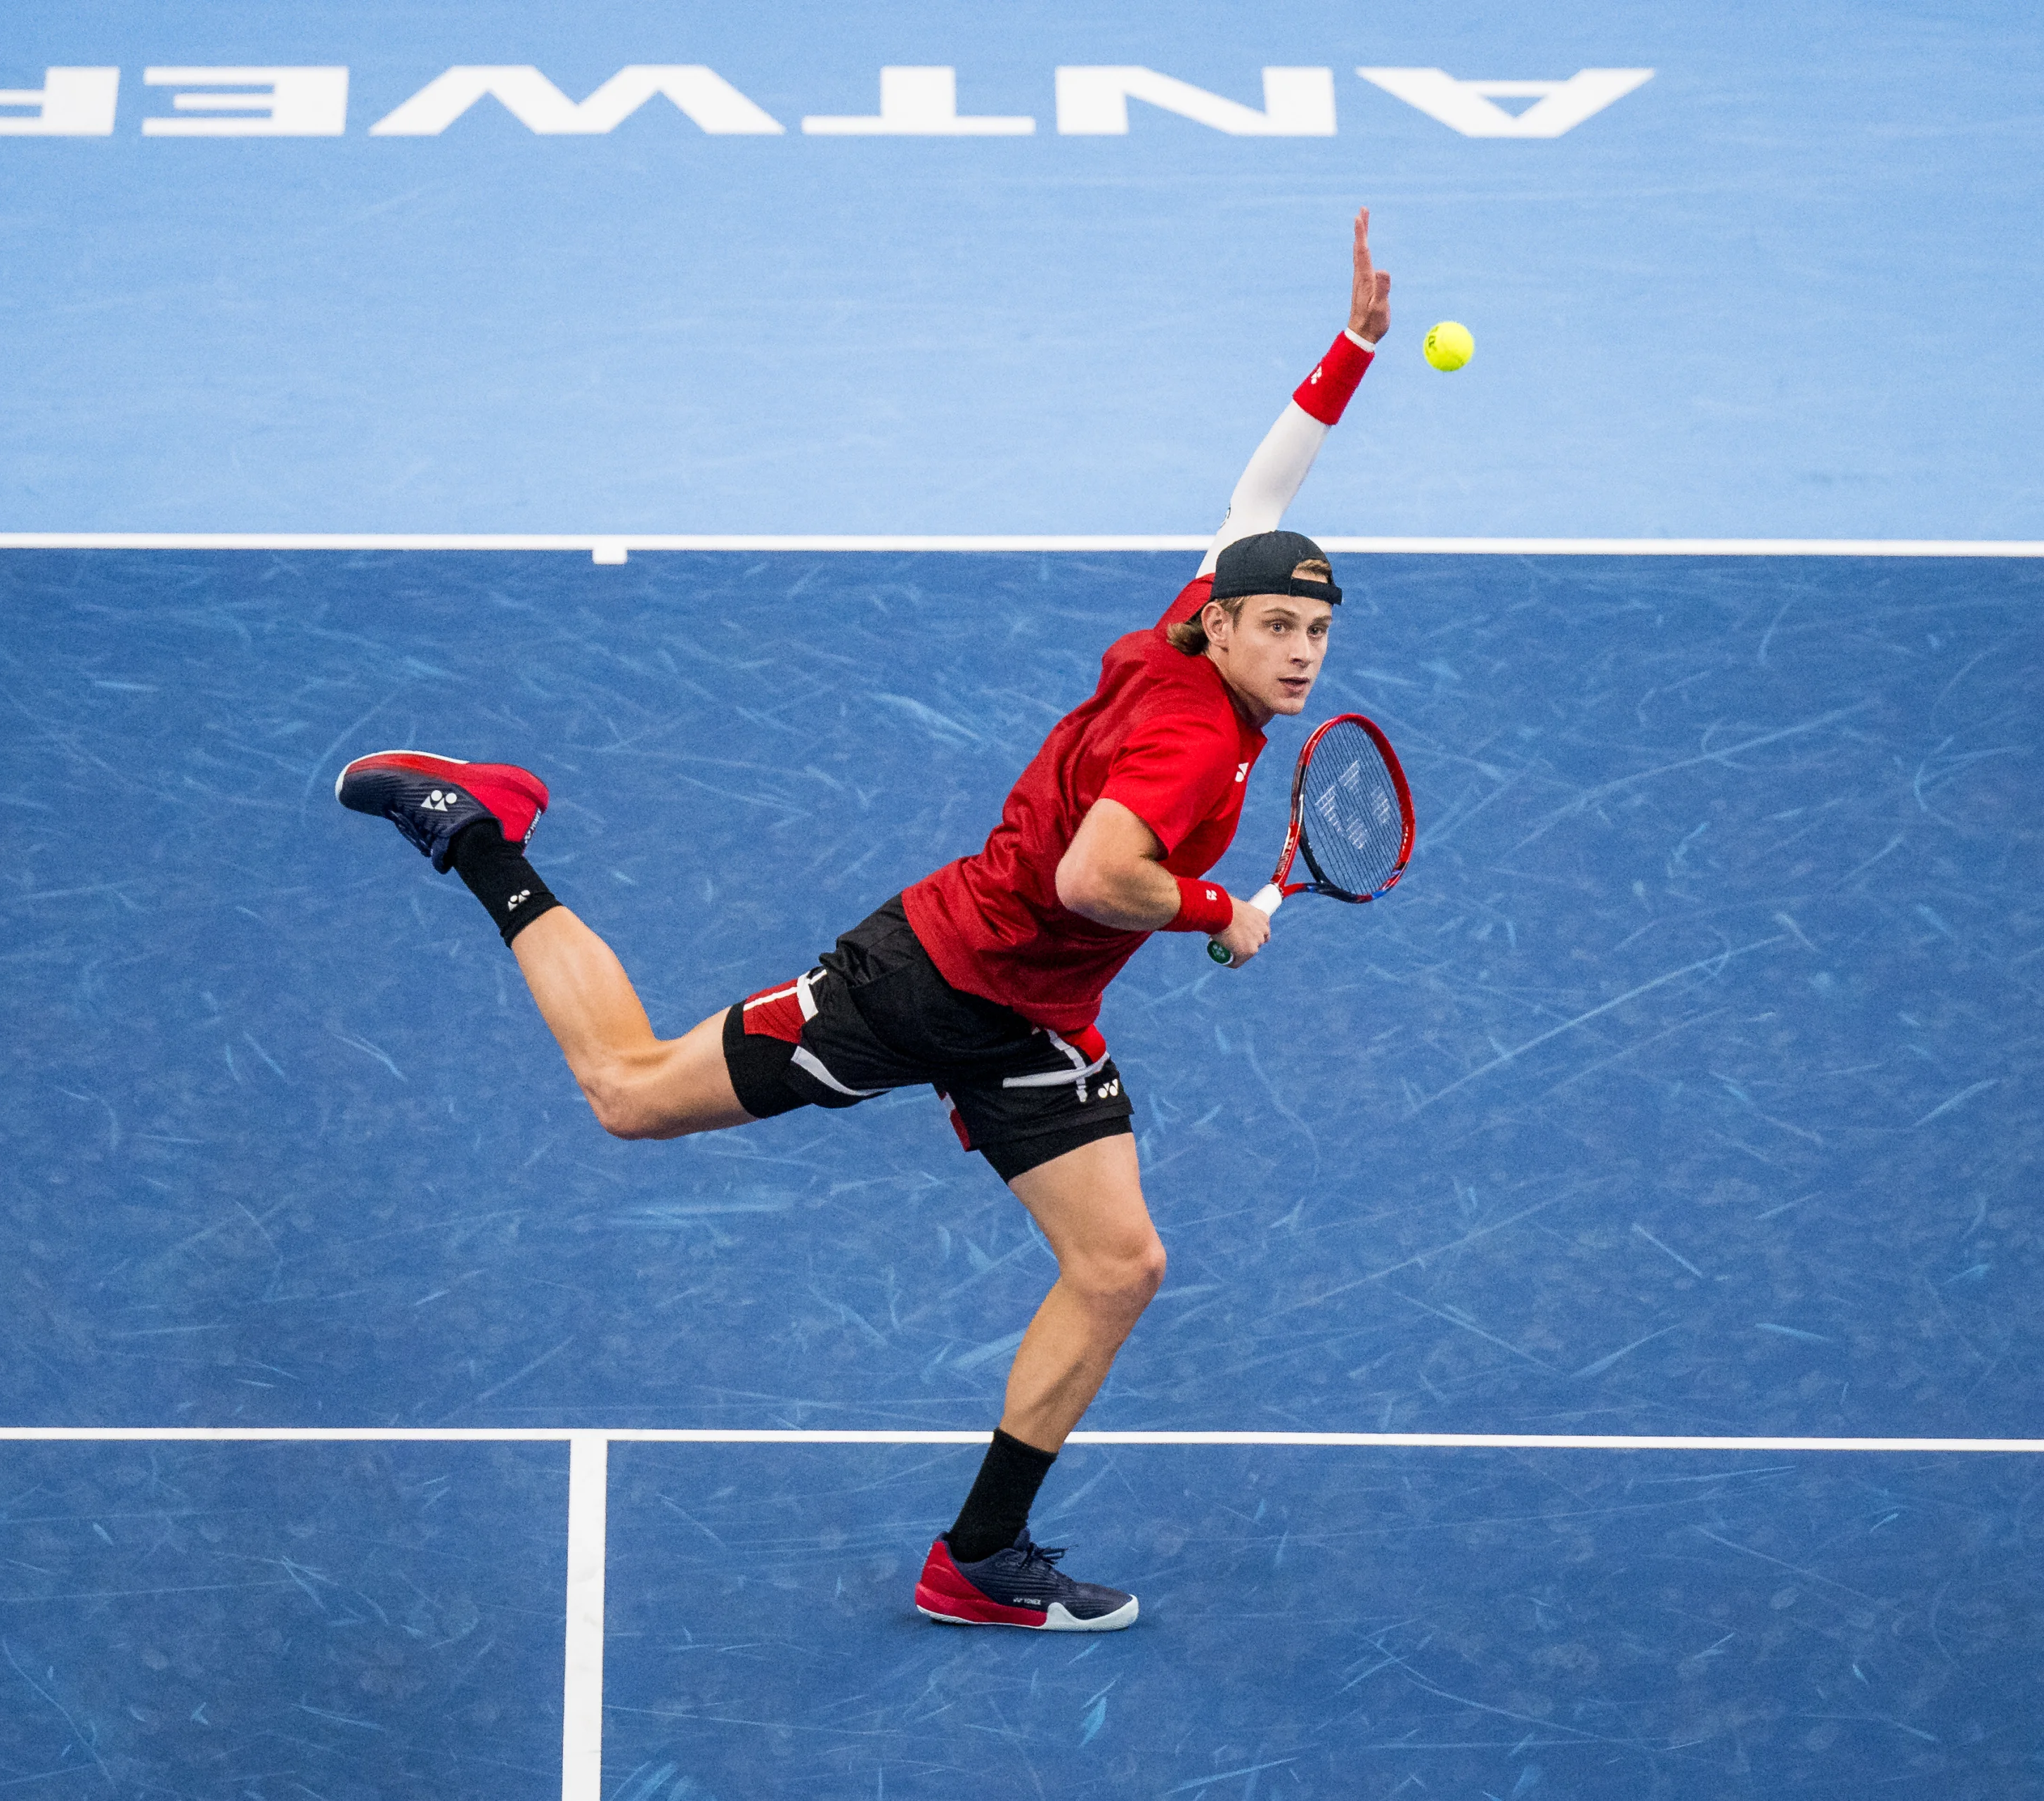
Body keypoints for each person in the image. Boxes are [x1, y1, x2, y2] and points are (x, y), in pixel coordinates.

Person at [339, 212, 1393, 1632]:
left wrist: (1354, 351)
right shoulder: (1191, 750)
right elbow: (1095, 877)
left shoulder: (1198, 610)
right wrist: (1216, 910)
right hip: (932, 981)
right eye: (1282, 632)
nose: (1303, 656)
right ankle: (478, 836)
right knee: (628, 1095)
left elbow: (1262, 484)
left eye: (1318, 638)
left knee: (1119, 1264)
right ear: (1224, 632)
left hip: (1037, 1017)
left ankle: (979, 1558)